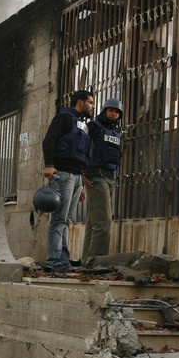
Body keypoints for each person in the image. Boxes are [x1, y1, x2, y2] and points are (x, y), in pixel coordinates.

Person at [41, 89, 94, 271]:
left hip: (75, 176)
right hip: (62, 174)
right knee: (59, 218)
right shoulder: (63, 118)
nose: (93, 107)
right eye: (90, 102)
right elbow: (49, 141)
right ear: (79, 102)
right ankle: (54, 260)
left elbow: (80, 153)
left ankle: (63, 260)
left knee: (67, 220)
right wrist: (49, 165)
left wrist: (80, 184)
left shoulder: (82, 125)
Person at [81, 98, 124, 264]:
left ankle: (87, 262)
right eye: (111, 110)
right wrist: (82, 174)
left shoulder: (116, 132)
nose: (114, 114)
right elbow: (80, 147)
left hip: (109, 177)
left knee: (94, 224)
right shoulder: (94, 127)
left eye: (117, 112)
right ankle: (97, 263)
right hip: (95, 176)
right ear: (104, 111)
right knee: (104, 223)